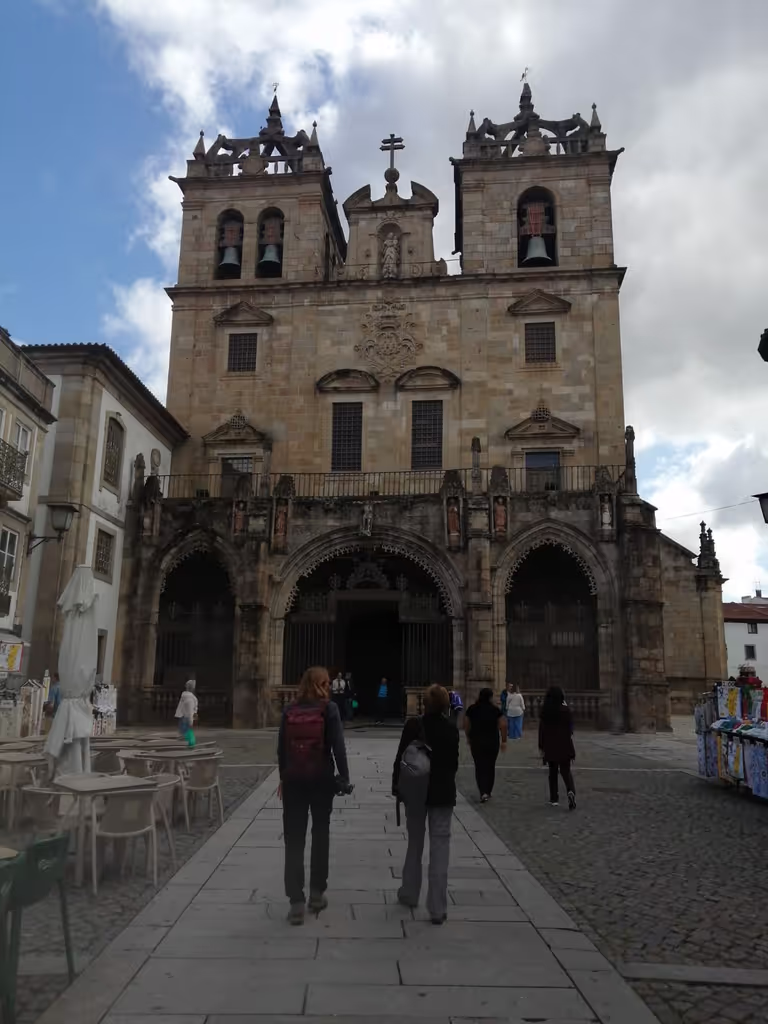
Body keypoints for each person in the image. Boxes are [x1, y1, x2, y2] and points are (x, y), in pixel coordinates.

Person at [277, 666, 350, 925]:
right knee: (321, 834)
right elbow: (338, 746)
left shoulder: (289, 709)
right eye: (327, 682)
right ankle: (317, 895)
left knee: (293, 839)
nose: (330, 686)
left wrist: (283, 778)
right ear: (321, 684)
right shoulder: (329, 709)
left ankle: (296, 902)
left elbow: (281, 748)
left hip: (294, 779)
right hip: (321, 779)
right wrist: (344, 777)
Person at [392, 684, 459, 925]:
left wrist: (397, 788)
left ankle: (410, 893)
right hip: (442, 794)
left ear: (424, 704)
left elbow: (400, 758)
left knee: (415, 844)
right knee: (440, 849)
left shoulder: (414, 725)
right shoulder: (452, 729)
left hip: (416, 792)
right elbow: (453, 766)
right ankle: (438, 908)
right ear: (445, 705)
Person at [464, 687, 507, 802]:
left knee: (479, 767)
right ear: (490, 697)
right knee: (490, 766)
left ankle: (482, 791)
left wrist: (468, 737)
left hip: (476, 741)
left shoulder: (472, 709)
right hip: (492, 742)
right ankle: (487, 791)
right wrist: (504, 741)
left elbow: (467, 724)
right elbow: (503, 725)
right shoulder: (495, 709)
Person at [538, 685, 576, 810]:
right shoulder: (566, 711)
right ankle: (570, 791)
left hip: (550, 745)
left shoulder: (545, 711)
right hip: (565, 744)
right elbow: (570, 729)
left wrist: (541, 746)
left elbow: (542, 730)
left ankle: (554, 798)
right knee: (566, 771)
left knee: (552, 772)